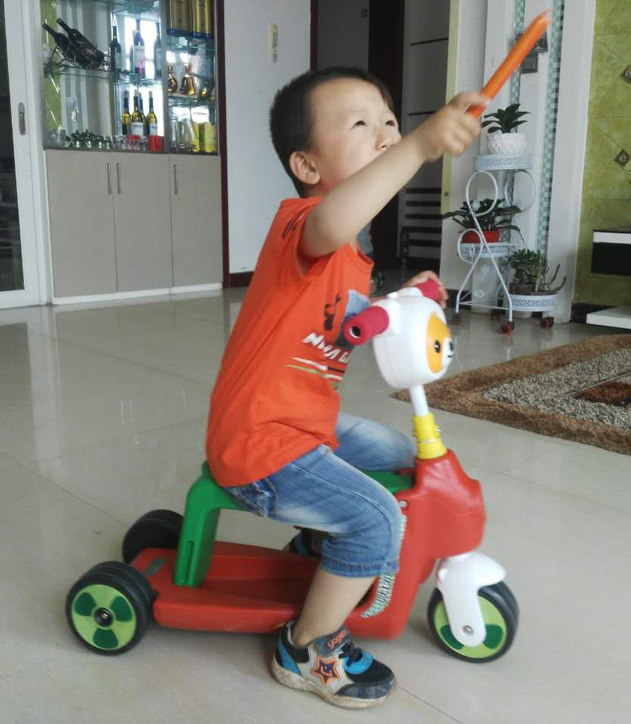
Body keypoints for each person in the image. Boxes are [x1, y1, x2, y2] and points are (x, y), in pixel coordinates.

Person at [206, 66, 486, 709]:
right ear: (306, 165)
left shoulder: (352, 258)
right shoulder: (302, 224)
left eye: (389, 121)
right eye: (362, 125)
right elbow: (332, 222)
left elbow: (346, 326)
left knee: (404, 457)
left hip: (304, 423)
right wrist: (419, 144)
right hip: (258, 440)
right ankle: (307, 647)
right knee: (378, 513)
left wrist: (401, 300)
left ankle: (321, 543)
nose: (387, 134)